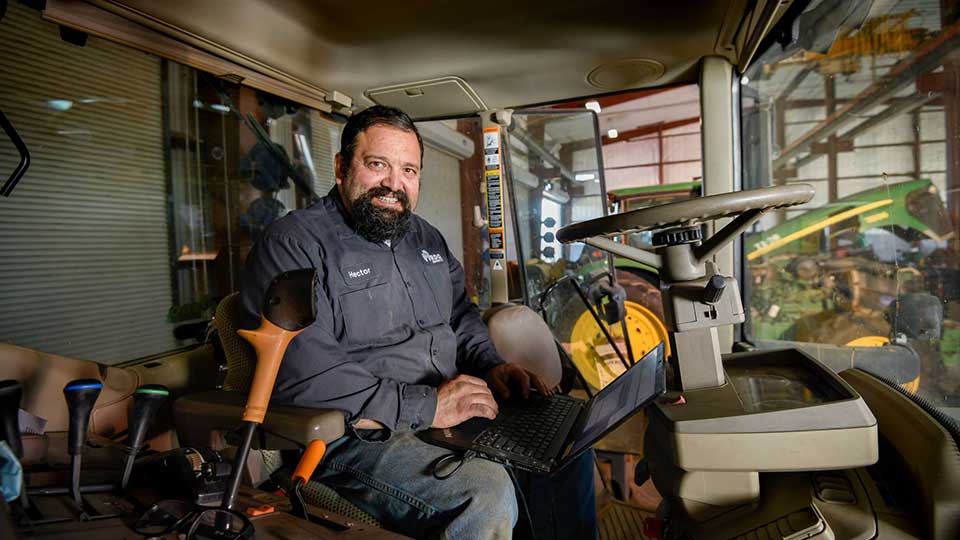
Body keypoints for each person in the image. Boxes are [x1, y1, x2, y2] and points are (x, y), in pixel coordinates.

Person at [240, 105, 596, 539]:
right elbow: (304, 374)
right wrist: (429, 407)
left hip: (444, 411)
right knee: (484, 492)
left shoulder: (426, 238)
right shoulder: (293, 244)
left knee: (566, 443)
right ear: (340, 168)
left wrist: (491, 365)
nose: (394, 184)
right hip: (356, 434)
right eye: (377, 165)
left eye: (409, 170)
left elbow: (460, 315)